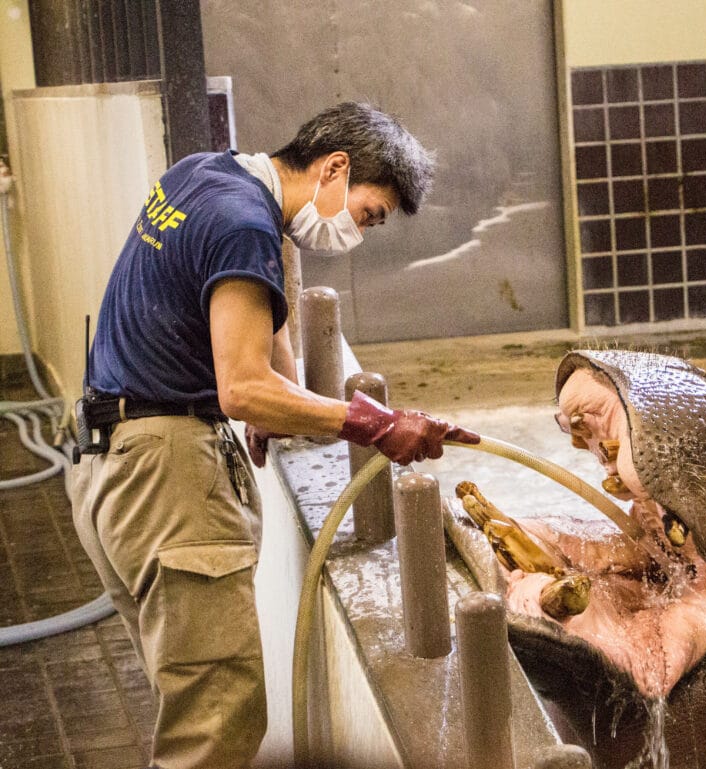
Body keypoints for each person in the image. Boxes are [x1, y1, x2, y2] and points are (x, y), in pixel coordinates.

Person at [71, 102, 479, 769]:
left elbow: (258, 332)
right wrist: (375, 424)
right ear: (335, 168)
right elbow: (242, 390)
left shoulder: (203, 176)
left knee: (194, 705)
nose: (358, 232)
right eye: (368, 213)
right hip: (164, 476)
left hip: (105, 462)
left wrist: (288, 394)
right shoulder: (242, 225)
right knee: (215, 726)